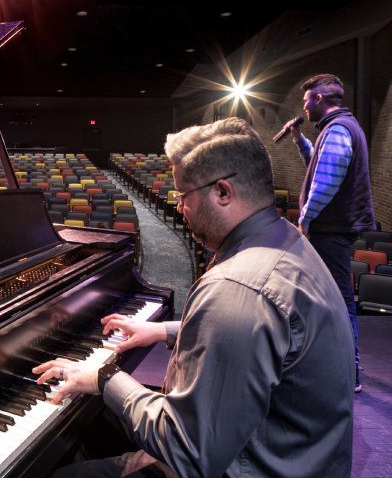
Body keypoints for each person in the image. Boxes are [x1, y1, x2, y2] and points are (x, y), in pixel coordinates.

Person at [33, 117, 355, 477]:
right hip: (291, 451)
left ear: (222, 192)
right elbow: (251, 333)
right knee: (95, 421)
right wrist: (165, 331)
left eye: (183, 196)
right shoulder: (285, 241)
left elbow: (189, 450)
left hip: (248, 464)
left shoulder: (237, 287)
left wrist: (106, 376)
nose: (180, 208)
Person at [285, 73, 375, 393]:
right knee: (330, 298)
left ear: (319, 99)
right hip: (334, 228)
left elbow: (327, 182)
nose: (304, 106)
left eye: (306, 99)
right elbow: (320, 166)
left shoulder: (337, 129)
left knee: (340, 301)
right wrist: (299, 139)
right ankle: (329, 361)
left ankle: (349, 372)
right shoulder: (337, 128)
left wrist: (305, 220)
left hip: (332, 229)